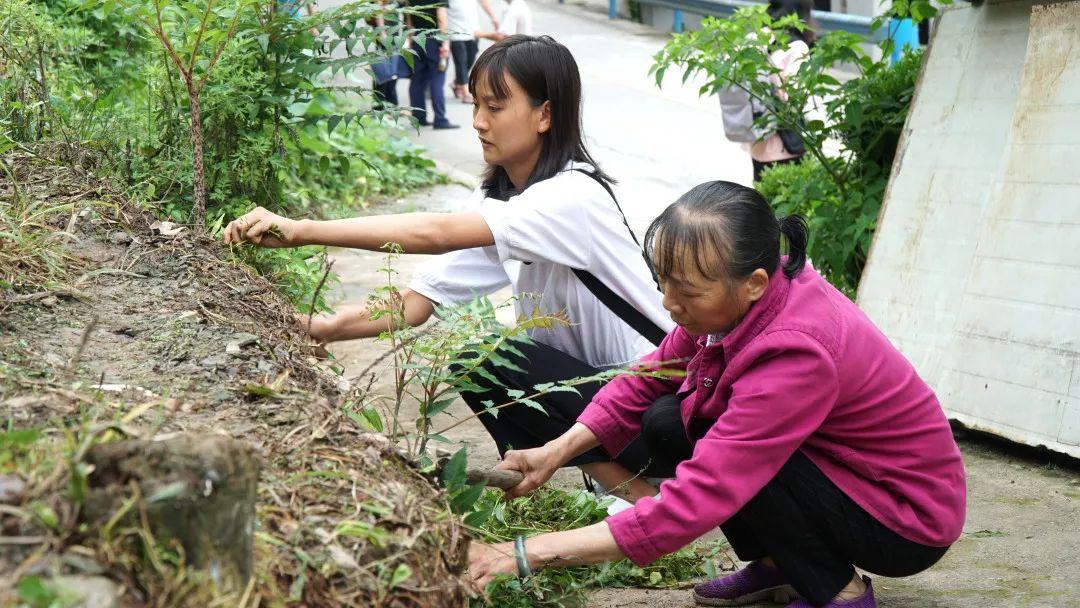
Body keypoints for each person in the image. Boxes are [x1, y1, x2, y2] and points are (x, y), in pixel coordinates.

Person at [467, 181, 967, 608]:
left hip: (903, 516)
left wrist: (521, 554)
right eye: (662, 282)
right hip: (846, 473)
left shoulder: (797, 351)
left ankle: (841, 592)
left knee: (721, 440)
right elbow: (651, 374)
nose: (668, 304)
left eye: (685, 291)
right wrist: (553, 453)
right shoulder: (742, 300)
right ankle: (780, 565)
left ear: (753, 282)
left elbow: (702, 493)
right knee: (670, 419)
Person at [222, 35, 675, 504]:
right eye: (476, 104)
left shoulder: (572, 197)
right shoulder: (504, 201)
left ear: (545, 115)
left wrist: (302, 230)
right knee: (480, 364)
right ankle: (631, 492)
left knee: (503, 361)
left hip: (661, 409)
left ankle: (649, 503)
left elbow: (436, 232)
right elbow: (417, 303)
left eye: (495, 108)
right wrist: (318, 328)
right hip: (606, 404)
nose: (478, 123)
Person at [718, 0, 816, 182]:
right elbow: (795, 98)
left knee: (764, 202)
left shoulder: (756, 37)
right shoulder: (796, 47)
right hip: (786, 146)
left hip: (758, 140)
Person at [406, 0, 459, 129]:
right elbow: (441, 18)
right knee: (437, 79)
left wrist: (410, 39)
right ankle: (440, 119)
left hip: (417, 40)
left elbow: (409, 21)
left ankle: (418, 118)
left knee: (417, 81)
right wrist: (445, 43)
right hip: (434, 41)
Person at [448, 0, 500, 104]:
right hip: (455, 32)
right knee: (461, 62)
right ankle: (466, 93)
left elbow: (484, 2)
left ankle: (457, 83)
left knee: (470, 59)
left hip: (473, 31)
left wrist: (493, 17)